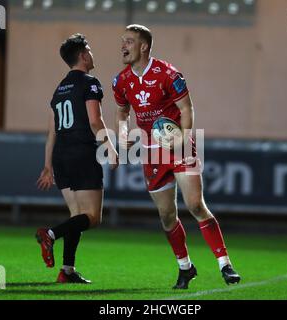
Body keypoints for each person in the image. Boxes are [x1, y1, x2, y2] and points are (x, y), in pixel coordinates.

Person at [112, 25, 241, 289]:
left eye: (129, 41)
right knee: (167, 215)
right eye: (122, 41)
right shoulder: (121, 81)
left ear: (144, 46)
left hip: (179, 145)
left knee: (195, 205)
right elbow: (122, 112)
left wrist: (183, 139)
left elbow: (186, 108)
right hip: (150, 151)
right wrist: (123, 132)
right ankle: (185, 268)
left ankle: (225, 265)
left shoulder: (168, 74)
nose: (123, 46)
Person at [36, 34, 118, 284]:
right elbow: (95, 120)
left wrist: (48, 165)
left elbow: (52, 131)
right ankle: (50, 233)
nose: (92, 54)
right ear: (83, 55)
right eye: (90, 50)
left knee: (76, 216)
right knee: (92, 218)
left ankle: (67, 271)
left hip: (61, 155)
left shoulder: (59, 88)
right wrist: (110, 147)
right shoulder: (90, 83)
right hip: (81, 152)